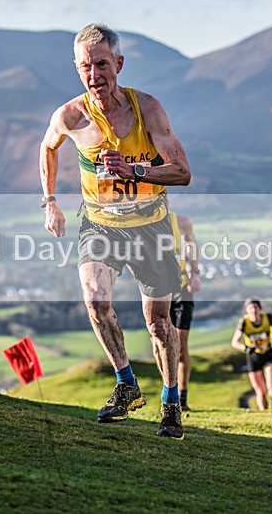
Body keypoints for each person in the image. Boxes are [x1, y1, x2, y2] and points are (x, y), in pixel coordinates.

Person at [39, 23, 191, 440]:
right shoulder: (70, 115)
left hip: (150, 225)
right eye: (85, 66)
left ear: (118, 64)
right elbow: (48, 146)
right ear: (77, 69)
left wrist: (135, 169)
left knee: (158, 324)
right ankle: (126, 384)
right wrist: (49, 200)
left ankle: (171, 402)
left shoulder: (149, 110)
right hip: (100, 224)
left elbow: (182, 172)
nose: (94, 75)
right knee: (94, 299)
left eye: (101, 64)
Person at [167, 209, 202, 411]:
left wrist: (195, 273)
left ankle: (182, 398)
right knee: (160, 344)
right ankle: (168, 393)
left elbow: (192, 245)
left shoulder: (181, 222)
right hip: (158, 288)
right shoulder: (141, 220)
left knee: (179, 347)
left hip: (182, 287)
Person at [231, 298, 272, 411]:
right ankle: (263, 414)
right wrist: (245, 348)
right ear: (246, 310)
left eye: (256, 308)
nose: (253, 310)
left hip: (268, 355)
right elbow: (234, 342)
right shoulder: (244, 323)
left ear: (260, 309)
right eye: (250, 308)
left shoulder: (268, 318)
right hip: (253, 357)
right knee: (261, 392)